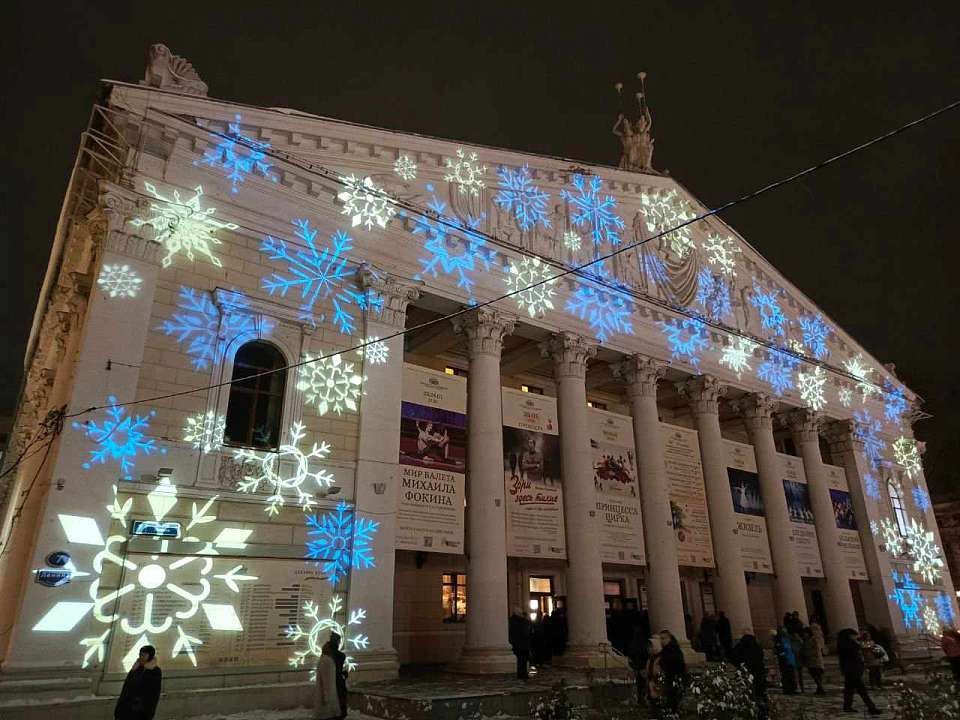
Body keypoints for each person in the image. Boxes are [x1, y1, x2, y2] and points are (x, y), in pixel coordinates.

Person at [836, 628, 880, 715]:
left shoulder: (843, 645)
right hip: (853, 670)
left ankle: (847, 706)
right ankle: (871, 707)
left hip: (849, 670)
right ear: (849, 636)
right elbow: (859, 651)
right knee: (862, 690)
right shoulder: (850, 645)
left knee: (849, 689)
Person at [114, 645, 162, 720]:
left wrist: (146, 709)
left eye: (144, 655)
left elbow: (154, 693)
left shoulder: (155, 671)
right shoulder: (135, 668)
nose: (141, 657)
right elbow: (126, 687)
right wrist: (119, 707)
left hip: (141, 710)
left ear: (150, 656)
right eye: (140, 654)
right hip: (126, 707)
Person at [732, 631, 767, 717]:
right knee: (759, 694)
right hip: (758, 674)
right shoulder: (756, 647)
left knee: (747, 694)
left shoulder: (740, 647)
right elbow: (761, 658)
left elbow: (733, 657)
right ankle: (761, 712)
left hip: (745, 673)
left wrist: (739, 665)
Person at [658, 630, 686, 715]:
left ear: (669, 638)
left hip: (674, 677)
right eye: (661, 639)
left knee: (673, 700)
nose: (662, 641)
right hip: (668, 677)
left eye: (664, 638)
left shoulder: (673, 650)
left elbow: (678, 664)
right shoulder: (665, 650)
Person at [315, 638, 342, 720]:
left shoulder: (323, 660)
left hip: (326, 695)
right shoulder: (327, 661)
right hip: (328, 697)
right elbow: (327, 681)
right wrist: (326, 697)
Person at [324, 633, 348, 720]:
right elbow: (338, 670)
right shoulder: (341, 656)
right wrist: (344, 674)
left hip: (328, 684)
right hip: (338, 683)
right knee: (339, 706)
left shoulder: (324, 656)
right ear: (337, 642)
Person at [509, 608, 533, 679]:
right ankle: (523, 674)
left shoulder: (512, 621)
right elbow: (526, 633)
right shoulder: (523, 622)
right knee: (523, 660)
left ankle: (521, 674)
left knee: (521, 660)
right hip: (522, 643)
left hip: (517, 643)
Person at [800, 626, 825, 695]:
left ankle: (820, 688)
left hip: (816, 660)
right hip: (810, 661)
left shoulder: (814, 640)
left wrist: (808, 654)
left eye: (805, 633)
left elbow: (817, 650)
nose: (804, 634)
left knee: (817, 674)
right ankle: (820, 688)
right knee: (814, 675)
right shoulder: (805, 640)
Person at [774, 628, 797, 694]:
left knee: (791, 675)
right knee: (786, 676)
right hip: (785, 661)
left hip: (790, 660)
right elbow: (780, 650)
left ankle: (792, 688)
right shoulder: (779, 640)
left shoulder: (787, 640)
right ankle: (788, 689)